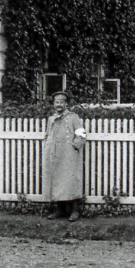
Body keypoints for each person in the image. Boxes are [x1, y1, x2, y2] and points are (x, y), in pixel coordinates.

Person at [42, 91, 86, 221]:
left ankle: (75, 211)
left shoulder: (73, 117)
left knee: (71, 181)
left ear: (66, 104)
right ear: (53, 104)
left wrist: (75, 146)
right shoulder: (51, 119)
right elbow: (48, 134)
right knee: (56, 180)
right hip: (54, 154)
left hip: (69, 154)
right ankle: (60, 210)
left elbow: (81, 134)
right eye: (57, 102)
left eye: (61, 102)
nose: (59, 105)